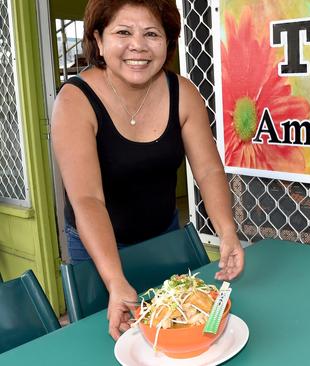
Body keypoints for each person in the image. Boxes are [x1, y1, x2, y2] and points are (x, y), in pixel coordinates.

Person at [51, 0, 244, 341]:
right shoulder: (74, 100)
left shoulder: (182, 92)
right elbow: (87, 199)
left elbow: (209, 171)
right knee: (111, 342)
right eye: (123, 32)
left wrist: (227, 231)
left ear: (168, 42)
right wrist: (114, 279)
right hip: (97, 250)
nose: (137, 46)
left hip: (164, 238)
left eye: (152, 33)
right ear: (98, 39)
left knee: (178, 328)